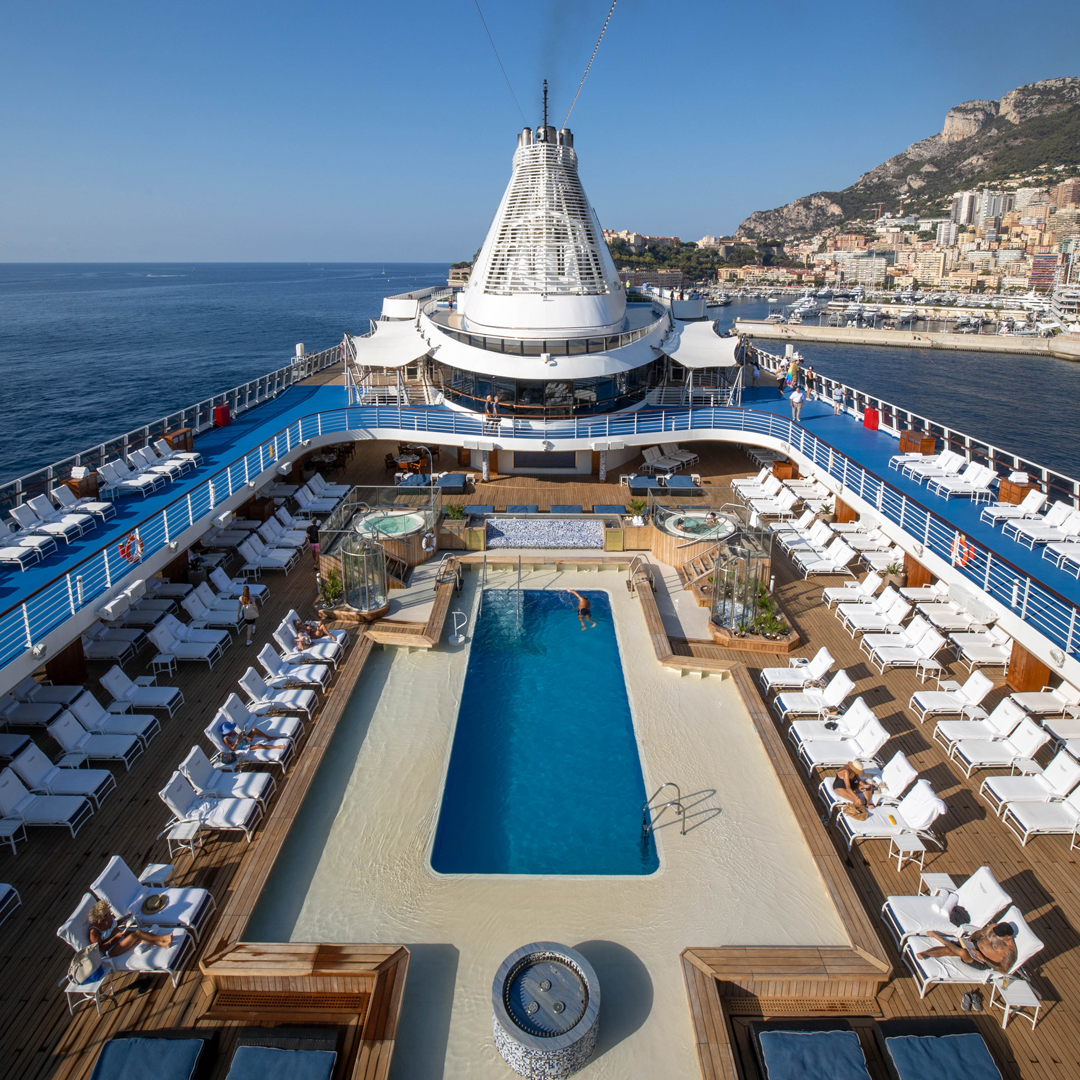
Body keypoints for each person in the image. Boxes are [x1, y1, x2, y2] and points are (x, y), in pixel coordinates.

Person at [915, 920, 1017, 976]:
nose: (996, 934)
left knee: (962, 952)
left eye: (999, 934)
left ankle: (939, 938)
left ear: (1008, 937)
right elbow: (980, 933)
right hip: (973, 945)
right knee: (948, 950)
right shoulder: (994, 927)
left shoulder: (1010, 952)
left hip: (982, 961)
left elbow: (1003, 970)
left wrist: (984, 959)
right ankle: (926, 953)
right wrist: (971, 938)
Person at [88, 899, 173, 955]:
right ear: (99, 917)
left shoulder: (107, 917)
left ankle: (164, 944)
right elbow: (100, 949)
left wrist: (124, 918)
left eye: (107, 913)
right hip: (111, 949)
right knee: (137, 933)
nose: (108, 915)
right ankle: (164, 938)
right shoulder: (94, 931)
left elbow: (115, 924)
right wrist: (115, 938)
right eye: (105, 915)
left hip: (120, 937)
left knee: (141, 937)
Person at [216, 718, 287, 753]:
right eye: (230, 730)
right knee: (259, 746)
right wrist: (237, 740)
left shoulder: (232, 732)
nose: (232, 731)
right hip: (242, 747)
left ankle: (268, 738)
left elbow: (237, 736)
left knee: (254, 730)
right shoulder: (225, 739)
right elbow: (232, 749)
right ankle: (277, 747)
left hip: (244, 740)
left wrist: (241, 735)